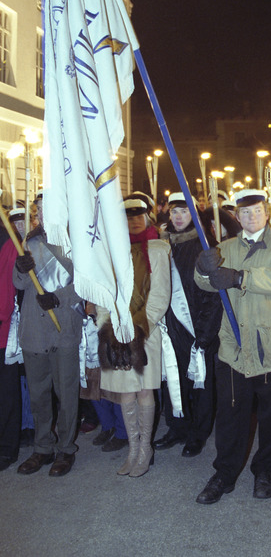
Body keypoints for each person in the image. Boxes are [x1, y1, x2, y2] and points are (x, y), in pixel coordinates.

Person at [194, 188, 271, 504]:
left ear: (267, 213)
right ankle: (224, 474)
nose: (251, 217)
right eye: (245, 212)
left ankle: (264, 469)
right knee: (229, 418)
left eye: (257, 211)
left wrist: (239, 277)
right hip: (233, 350)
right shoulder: (225, 247)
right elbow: (206, 284)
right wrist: (203, 268)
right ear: (236, 216)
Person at [97, 196, 171, 477]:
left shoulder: (158, 248)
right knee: (125, 389)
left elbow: (160, 294)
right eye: (128, 216)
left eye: (139, 215)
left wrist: (139, 328)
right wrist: (109, 325)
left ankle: (146, 449)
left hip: (144, 331)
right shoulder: (112, 250)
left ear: (148, 216)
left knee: (144, 389)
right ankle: (133, 447)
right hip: (116, 329)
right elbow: (105, 291)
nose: (134, 220)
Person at [155, 192, 226, 457]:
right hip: (169, 326)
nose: (179, 217)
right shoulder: (162, 244)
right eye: (174, 212)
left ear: (194, 214)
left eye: (185, 212)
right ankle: (177, 426)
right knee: (174, 379)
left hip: (198, 326)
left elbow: (213, 294)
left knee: (200, 382)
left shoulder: (206, 245)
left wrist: (206, 332)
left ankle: (198, 433)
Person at [14, 206, 83, 477]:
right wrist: (21, 269)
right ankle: (43, 447)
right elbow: (19, 284)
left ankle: (66, 449)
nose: (43, 215)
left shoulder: (75, 242)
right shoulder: (29, 242)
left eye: (48, 209)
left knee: (66, 395)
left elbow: (87, 284)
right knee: (38, 394)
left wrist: (59, 297)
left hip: (63, 327)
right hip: (33, 331)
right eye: (39, 210)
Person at [0, 214, 21, 470]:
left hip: (3, 331)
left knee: (6, 393)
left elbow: (7, 287)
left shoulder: (7, 241)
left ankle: (7, 446)